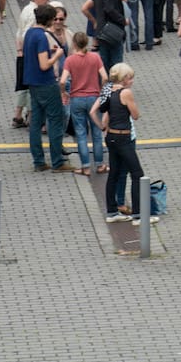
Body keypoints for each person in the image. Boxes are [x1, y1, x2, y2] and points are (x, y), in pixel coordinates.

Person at [23, 0, 68, 172]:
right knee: (56, 121)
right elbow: (44, 64)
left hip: (32, 83)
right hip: (46, 83)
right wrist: (57, 54)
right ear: (49, 19)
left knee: (36, 122)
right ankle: (57, 161)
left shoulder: (29, 33)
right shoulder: (41, 37)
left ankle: (39, 161)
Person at [94, 63, 142, 222]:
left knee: (114, 173)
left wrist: (103, 126)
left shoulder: (107, 90)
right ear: (125, 78)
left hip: (111, 136)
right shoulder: (126, 93)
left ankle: (112, 212)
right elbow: (135, 115)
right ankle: (138, 214)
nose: (132, 80)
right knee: (137, 174)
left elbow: (102, 111)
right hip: (123, 137)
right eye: (131, 77)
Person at [61, 30, 107, 176]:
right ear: (86, 42)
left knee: (81, 133)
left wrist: (64, 92)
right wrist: (101, 90)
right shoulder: (95, 57)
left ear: (74, 44)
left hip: (77, 99)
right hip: (94, 98)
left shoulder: (70, 60)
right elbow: (105, 77)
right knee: (96, 133)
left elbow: (62, 81)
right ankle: (99, 165)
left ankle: (85, 167)